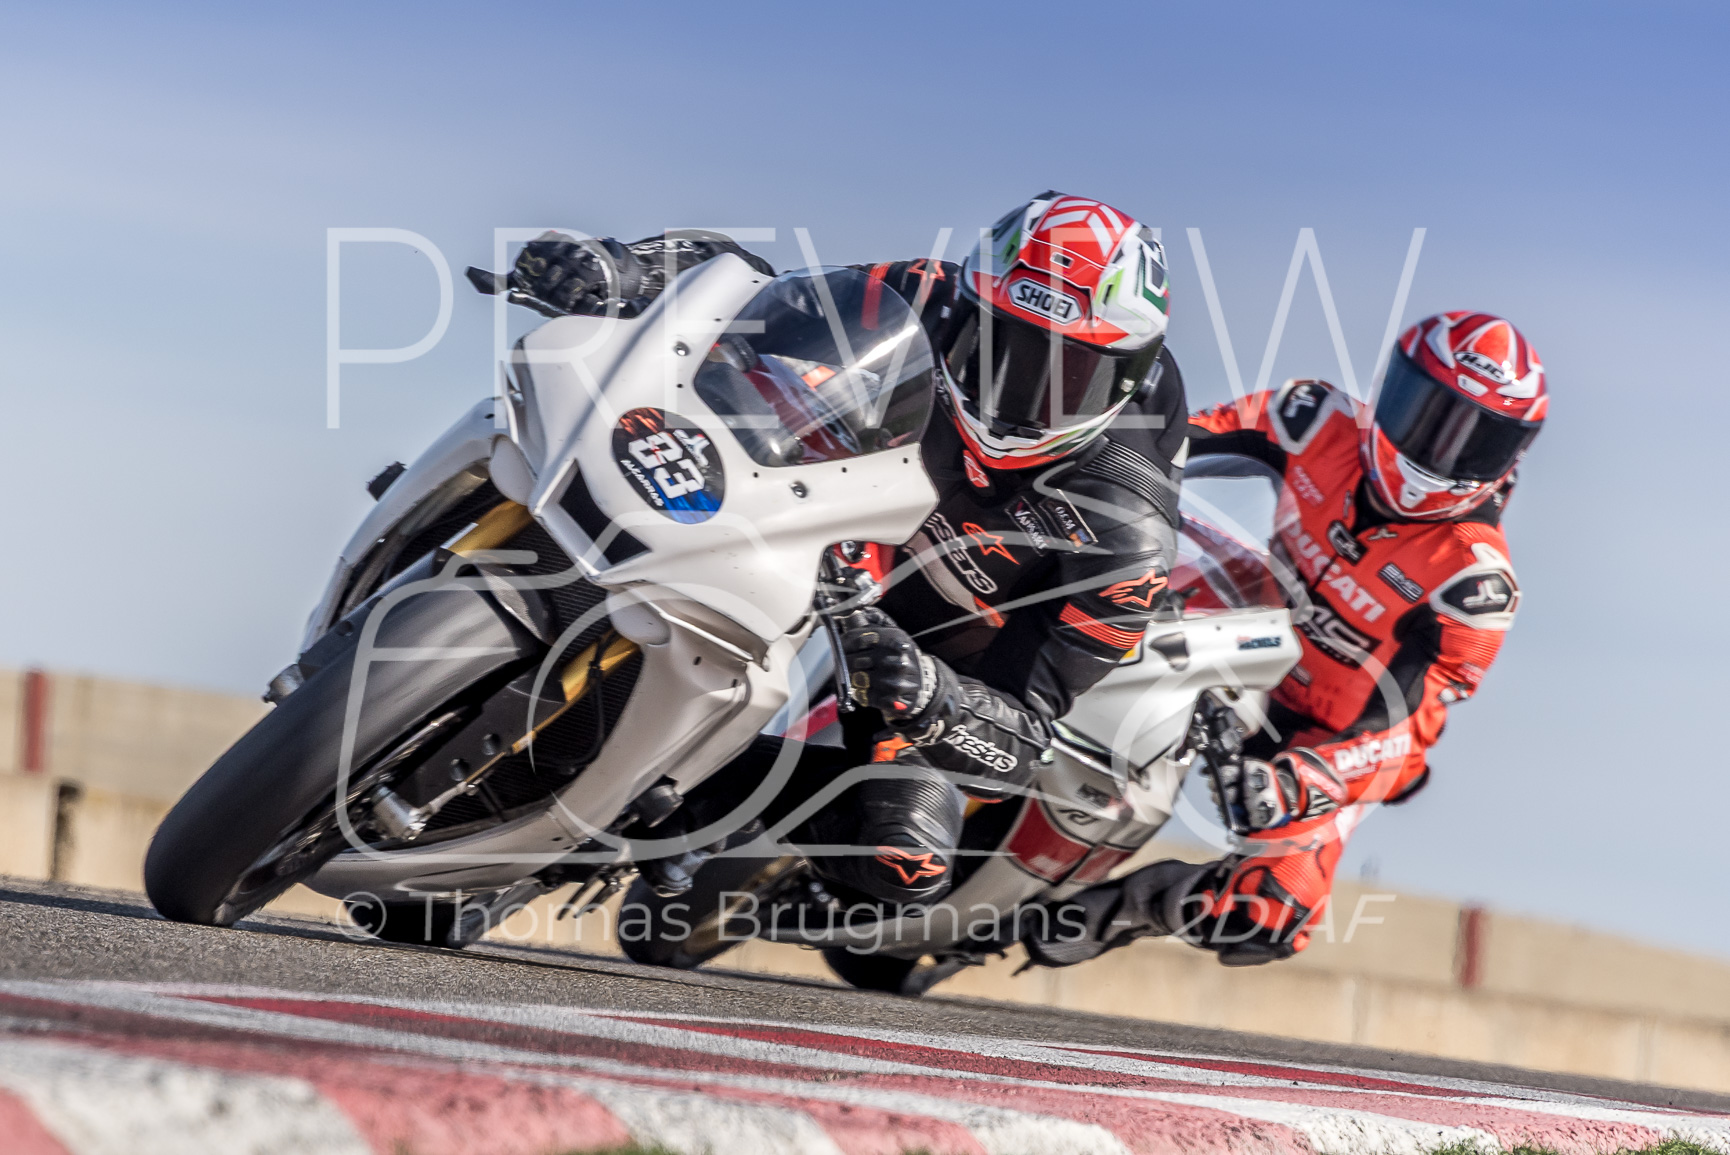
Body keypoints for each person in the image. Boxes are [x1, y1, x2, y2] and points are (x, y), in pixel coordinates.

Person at [495, 194, 1188, 906]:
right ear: (971, 307)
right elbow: (752, 294)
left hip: (932, 646)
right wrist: (628, 268)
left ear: (1128, 377)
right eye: (998, 350)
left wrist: (932, 693)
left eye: (1069, 379)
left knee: (905, 857)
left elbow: (1019, 746)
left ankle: (668, 807)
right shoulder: (929, 294)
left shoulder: (1128, 538)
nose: (1020, 397)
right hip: (821, 523)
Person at [1025, 311, 1547, 968]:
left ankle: (1120, 908)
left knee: (1269, 915)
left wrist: (1309, 777)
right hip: (1246, 644)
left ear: (1509, 455)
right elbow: (1178, 441)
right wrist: (1084, 484)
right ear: (1389, 386)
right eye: (1426, 412)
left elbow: (1410, 729)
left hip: (1330, 737)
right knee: (1107, 580)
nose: (1435, 449)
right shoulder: (1315, 416)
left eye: (1474, 439)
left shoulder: (1476, 582)